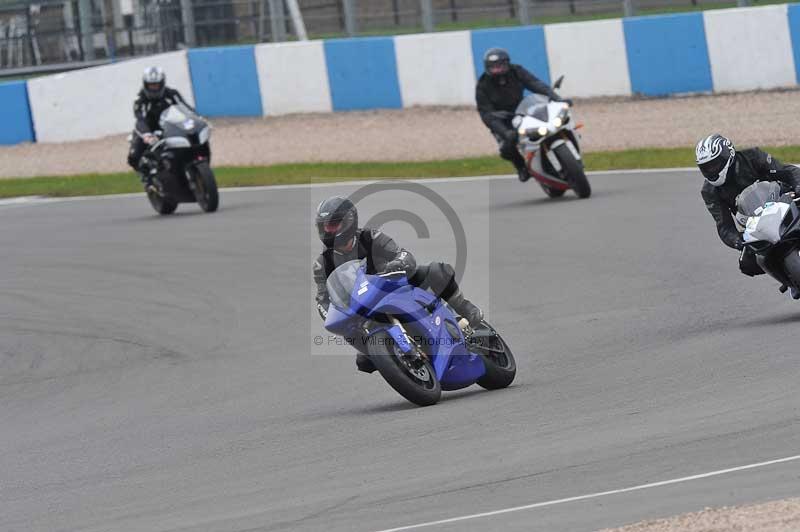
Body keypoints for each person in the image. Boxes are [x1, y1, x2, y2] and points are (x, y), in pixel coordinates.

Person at [313, 196, 484, 373]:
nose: (329, 231)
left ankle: (465, 308)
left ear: (349, 220)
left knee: (436, 270)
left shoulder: (370, 237)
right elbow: (322, 299)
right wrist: (332, 316)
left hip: (393, 285)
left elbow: (402, 254)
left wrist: (398, 262)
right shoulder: (322, 263)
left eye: (333, 225)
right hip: (363, 308)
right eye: (325, 226)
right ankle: (381, 355)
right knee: (361, 358)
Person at [697, 133, 800, 283]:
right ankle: (790, 280)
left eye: (714, 165)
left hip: (782, 201)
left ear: (728, 155)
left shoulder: (753, 156)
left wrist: (798, 185)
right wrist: (737, 241)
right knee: (747, 264)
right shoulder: (709, 191)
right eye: (705, 167)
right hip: (754, 224)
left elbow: (787, 171)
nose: (710, 170)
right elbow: (724, 225)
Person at [476, 47, 572, 182]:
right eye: (494, 67)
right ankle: (521, 167)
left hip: (523, 109)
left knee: (549, 121)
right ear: (487, 68)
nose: (498, 70)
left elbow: (535, 84)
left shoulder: (516, 71)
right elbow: (486, 113)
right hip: (501, 119)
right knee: (506, 148)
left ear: (507, 64)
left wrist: (557, 99)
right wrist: (505, 132)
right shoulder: (482, 85)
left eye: (501, 66)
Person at [127, 66, 194, 183]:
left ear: (162, 83)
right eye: (151, 86)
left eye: (156, 85)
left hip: (170, 126)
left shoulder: (172, 94)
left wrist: (197, 119)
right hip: (147, 130)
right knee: (133, 157)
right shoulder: (139, 99)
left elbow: (186, 108)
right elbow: (140, 119)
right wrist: (147, 135)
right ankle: (148, 179)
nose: (154, 88)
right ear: (145, 85)